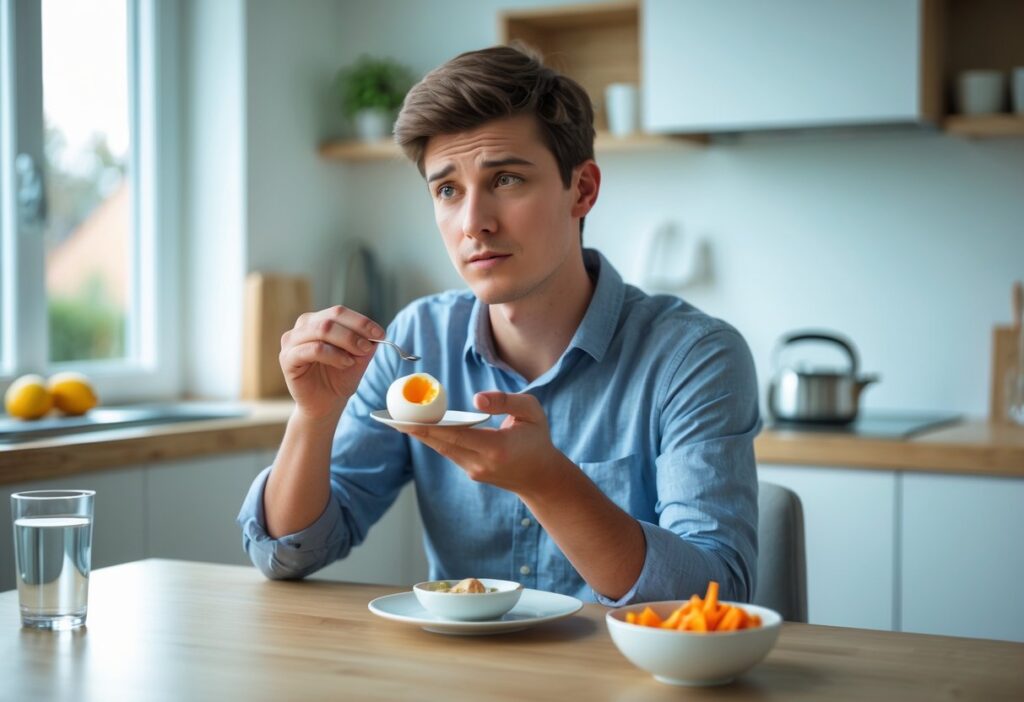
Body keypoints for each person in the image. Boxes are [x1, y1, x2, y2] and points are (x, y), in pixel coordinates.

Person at [237, 45, 760, 605]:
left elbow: (715, 595)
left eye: (506, 179)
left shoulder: (694, 356)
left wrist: (549, 481)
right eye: (447, 190)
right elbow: (291, 553)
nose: (474, 223)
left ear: (581, 190)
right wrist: (313, 417)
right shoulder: (417, 339)